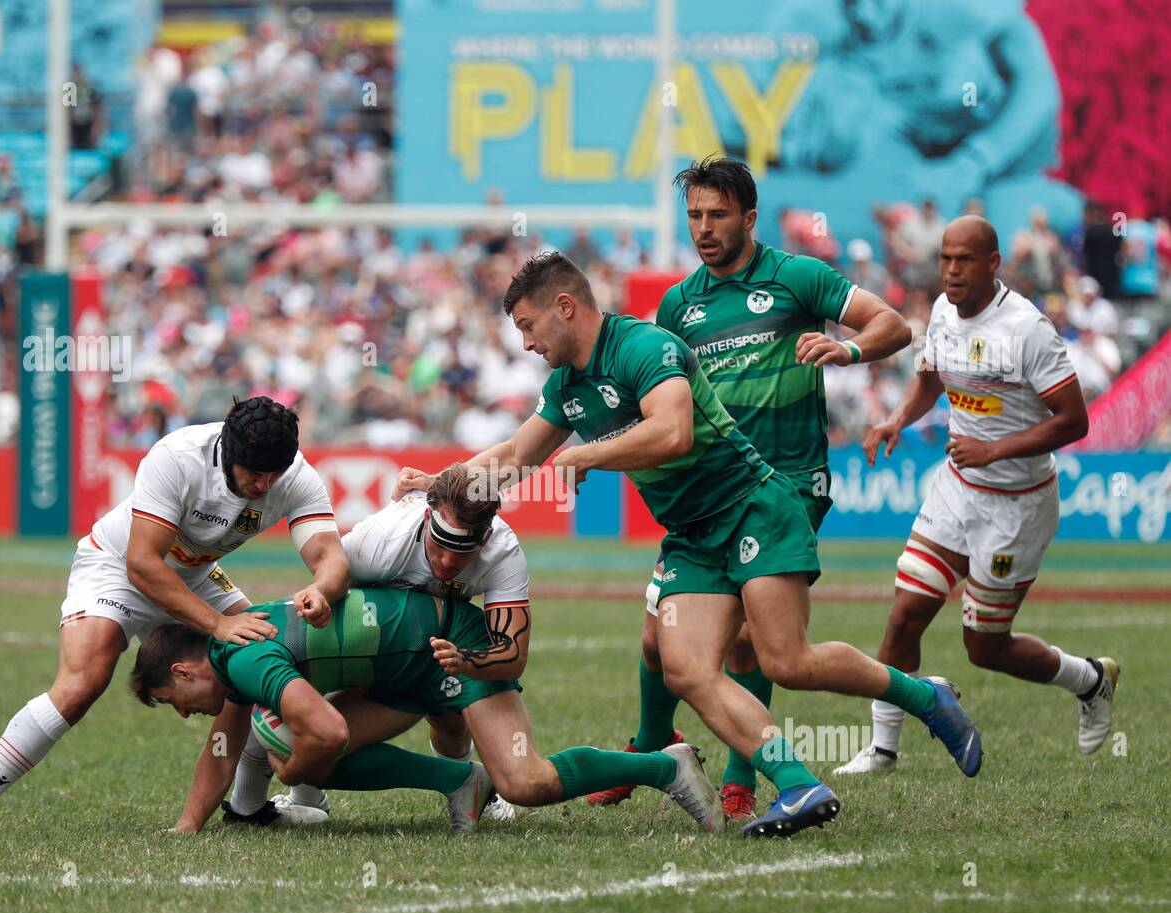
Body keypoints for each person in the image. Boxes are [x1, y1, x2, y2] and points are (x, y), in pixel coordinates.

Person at [402, 252, 983, 838]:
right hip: (693, 536)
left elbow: (674, 432)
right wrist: (446, 482)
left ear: (564, 307)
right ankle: (800, 784)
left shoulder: (644, 346)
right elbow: (515, 455)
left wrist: (588, 454)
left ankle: (925, 696)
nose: (525, 343)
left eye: (527, 326)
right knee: (686, 668)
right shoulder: (567, 386)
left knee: (787, 660)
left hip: (751, 506)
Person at [582, 157, 911, 819]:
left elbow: (893, 327)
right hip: (710, 490)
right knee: (658, 637)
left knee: (751, 643)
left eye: (718, 215)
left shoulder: (797, 278)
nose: (704, 228)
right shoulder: (679, 304)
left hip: (784, 484)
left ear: (750, 218)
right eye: (695, 215)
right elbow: (662, 390)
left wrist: (845, 350)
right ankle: (657, 746)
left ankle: (737, 774)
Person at [0, 397, 349, 833]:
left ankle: (252, 806)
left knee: (267, 654)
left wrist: (320, 589)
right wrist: (218, 625)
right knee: (84, 680)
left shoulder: (292, 475)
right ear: (229, 452)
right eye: (254, 475)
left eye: (273, 476)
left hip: (196, 573)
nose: (264, 486)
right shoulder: (178, 458)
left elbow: (330, 557)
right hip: (116, 564)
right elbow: (143, 564)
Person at [837, 217, 1117, 775]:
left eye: (964, 260)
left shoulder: (1027, 330)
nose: (951, 271)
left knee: (984, 647)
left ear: (993, 263)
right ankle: (884, 748)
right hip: (958, 490)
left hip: (1018, 504)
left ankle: (1091, 679)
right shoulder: (942, 311)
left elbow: (1074, 421)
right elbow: (932, 377)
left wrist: (996, 451)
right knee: (904, 614)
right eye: (944, 259)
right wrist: (895, 420)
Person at [139, 588, 725, 834]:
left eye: (174, 703)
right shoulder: (231, 658)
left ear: (184, 671)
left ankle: (664, 766)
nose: (186, 715)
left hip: (453, 651)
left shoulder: (242, 661)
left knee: (525, 782)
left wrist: (292, 776)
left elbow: (328, 727)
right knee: (296, 746)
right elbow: (221, 748)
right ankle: (459, 781)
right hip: (400, 674)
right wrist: (188, 827)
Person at [266, 462, 532, 823]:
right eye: (441, 545)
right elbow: (337, 607)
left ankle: (473, 789)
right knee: (326, 692)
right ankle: (304, 796)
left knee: (451, 718)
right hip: (381, 619)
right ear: (426, 519)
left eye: (463, 551)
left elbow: (513, 654)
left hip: (446, 634)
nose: (448, 562)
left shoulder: (502, 551)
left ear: (484, 538)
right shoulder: (376, 543)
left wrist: (465, 661)